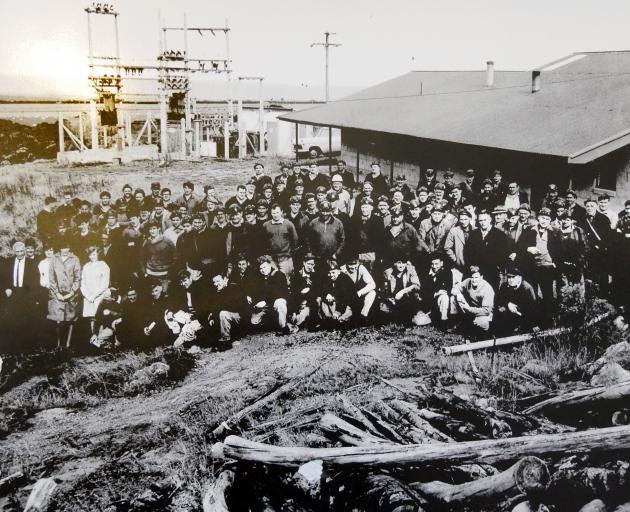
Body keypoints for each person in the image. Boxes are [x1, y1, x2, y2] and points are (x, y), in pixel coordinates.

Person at [1, 241, 40, 351]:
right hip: (13, 293)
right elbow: (4, 278)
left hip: (26, 293)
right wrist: (7, 288)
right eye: (17, 251)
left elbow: (35, 282)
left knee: (26, 319)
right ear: (14, 252)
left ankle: (26, 346)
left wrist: (32, 297)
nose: (20, 254)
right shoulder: (8, 262)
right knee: (14, 318)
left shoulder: (31, 263)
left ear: (25, 251)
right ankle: (14, 346)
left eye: (22, 251)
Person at [48, 236, 81, 349]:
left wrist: (71, 293)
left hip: (71, 295)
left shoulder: (75, 259)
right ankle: (58, 344)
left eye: (67, 250)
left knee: (70, 319)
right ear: (59, 249)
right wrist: (57, 293)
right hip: (57, 294)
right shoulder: (54, 259)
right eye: (63, 250)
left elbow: (77, 278)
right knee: (57, 320)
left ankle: (67, 344)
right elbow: (51, 278)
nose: (65, 252)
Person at [464, 211, 510, 291]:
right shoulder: (474, 234)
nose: (482, 223)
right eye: (480, 220)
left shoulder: (499, 235)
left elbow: (500, 255)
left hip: (491, 272)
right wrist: (471, 266)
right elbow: (467, 252)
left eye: (485, 220)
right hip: (474, 271)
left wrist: (481, 267)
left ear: (490, 219)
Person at [246, 255, 289, 334]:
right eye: (261, 268)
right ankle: (272, 324)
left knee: (280, 302)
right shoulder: (259, 278)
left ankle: (284, 327)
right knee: (254, 321)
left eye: (264, 267)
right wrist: (249, 295)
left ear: (270, 265)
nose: (262, 270)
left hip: (276, 302)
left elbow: (279, 293)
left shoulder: (279, 275)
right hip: (266, 306)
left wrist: (265, 302)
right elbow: (255, 291)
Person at [494, 264, 538, 335]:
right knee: (500, 313)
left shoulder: (527, 288)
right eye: (508, 277)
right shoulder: (504, 286)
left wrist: (534, 324)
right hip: (509, 313)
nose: (510, 280)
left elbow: (532, 308)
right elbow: (499, 300)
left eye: (513, 277)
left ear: (519, 277)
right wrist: (508, 304)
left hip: (524, 314)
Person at [449, 265, 494, 334]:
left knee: (480, 323)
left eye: (476, 277)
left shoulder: (487, 289)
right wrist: (458, 294)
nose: (474, 280)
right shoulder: (468, 281)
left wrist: (469, 309)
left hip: (483, 313)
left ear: (481, 277)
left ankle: (483, 334)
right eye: (472, 277)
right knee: (453, 298)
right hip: (470, 308)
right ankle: (456, 323)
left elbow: (486, 311)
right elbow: (454, 289)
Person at [380, 258, 423, 325]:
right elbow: (383, 291)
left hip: (407, 299)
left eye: (403, 263)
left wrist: (403, 291)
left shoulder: (410, 269)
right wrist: (389, 299)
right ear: (394, 263)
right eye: (399, 263)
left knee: (406, 318)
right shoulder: (388, 272)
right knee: (384, 315)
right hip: (393, 301)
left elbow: (417, 285)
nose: (401, 265)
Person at [80, 246, 111, 335]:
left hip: (99, 296)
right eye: (90, 254)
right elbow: (83, 282)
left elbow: (104, 284)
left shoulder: (103, 265)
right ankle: (93, 338)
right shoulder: (86, 266)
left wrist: (94, 296)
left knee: (99, 317)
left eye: (94, 254)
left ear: (98, 254)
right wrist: (87, 295)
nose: (92, 256)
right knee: (91, 317)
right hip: (88, 296)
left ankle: (100, 338)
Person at [210, 272, 247, 344]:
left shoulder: (233, 288)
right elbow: (215, 308)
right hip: (229, 316)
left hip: (240, 317)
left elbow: (233, 307)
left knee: (223, 313)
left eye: (218, 281)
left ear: (225, 279)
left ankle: (225, 340)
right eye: (214, 282)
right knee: (217, 315)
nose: (215, 284)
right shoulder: (217, 292)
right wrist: (212, 317)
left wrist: (217, 310)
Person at [317, 259, 355, 328]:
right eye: (330, 273)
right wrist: (327, 294)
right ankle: (328, 319)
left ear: (339, 272)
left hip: (347, 305)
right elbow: (322, 289)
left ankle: (339, 319)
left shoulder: (345, 279)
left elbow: (346, 298)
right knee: (321, 301)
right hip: (335, 304)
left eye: (333, 272)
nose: (331, 275)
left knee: (343, 318)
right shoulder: (328, 278)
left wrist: (337, 311)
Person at [262, 204, 299, 276]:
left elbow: (295, 240)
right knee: (272, 278)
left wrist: (289, 252)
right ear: (271, 213)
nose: (275, 215)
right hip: (271, 258)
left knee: (286, 279)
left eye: (277, 212)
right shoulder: (266, 225)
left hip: (285, 258)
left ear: (281, 212)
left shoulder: (288, 224)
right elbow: (263, 241)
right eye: (273, 213)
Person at [141, 222, 176, 293]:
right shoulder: (146, 242)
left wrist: (170, 270)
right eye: (150, 229)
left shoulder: (167, 242)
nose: (152, 231)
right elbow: (142, 258)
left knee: (165, 294)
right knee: (153, 294)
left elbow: (174, 257)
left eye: (154, 228)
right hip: (150, 273)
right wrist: (144, 271)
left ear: (159, 229)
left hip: (164, 274)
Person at [420, 252, 452, 325]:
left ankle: (444, 320)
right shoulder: (425, 274)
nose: (434, 266)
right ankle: (433, 316)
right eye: (432, 264)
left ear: (441, 263)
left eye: (436, 264)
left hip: (441, 302)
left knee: (444, 296)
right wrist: (436, 293)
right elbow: (423, 292)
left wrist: (440, 293)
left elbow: (448, 289)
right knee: (419, 321)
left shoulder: (447, 273)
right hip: (428, 302)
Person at [341, 257, 377, 322]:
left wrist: (359, 292)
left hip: (357, 295)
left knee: (372, 292)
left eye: (356, 264)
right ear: (346, 263)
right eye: (351, 265)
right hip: (346, 297)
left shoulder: (361, 267)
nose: (354, 268)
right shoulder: (342, 269)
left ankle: (363, 315)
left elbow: (372, 284)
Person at [288, 253, 318, 331]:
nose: (310, 266)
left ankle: (313, 324)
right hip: (300, 301)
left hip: (312, 301)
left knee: (314, 298)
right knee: (298, 318)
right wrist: (302, 292)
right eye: (308, 264)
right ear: (304, 263)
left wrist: (309, 290)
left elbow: (318, 289)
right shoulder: (297, 275)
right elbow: (293, 292)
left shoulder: (315, 275)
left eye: (312, 264)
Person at [444, 210, 474, 284]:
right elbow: (447, 247)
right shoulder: (454, 231)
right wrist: (455, 259)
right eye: (461, 219)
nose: (463, 221)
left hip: (473, 265)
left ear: (470, 219)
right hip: (460, 265)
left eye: (465, 219)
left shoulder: (475, 230)